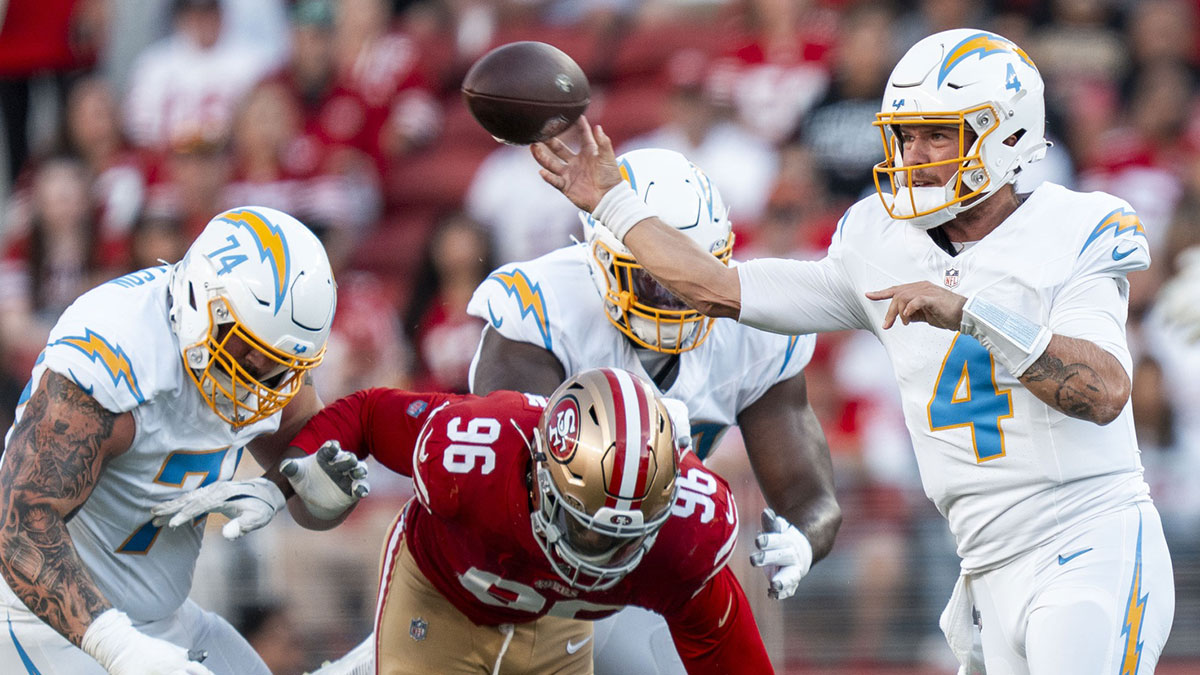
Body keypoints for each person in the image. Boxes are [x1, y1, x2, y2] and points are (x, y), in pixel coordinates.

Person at [533, 29, 1176, 675]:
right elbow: (716, 287)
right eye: (905, 135)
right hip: (982, 561)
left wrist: (972, 313)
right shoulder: (878, 241)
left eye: (937, 135)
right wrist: (612, 201)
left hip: (1086, 536)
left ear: (1006, 133)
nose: (913, 154)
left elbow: (1103, 390)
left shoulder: (1077, 225)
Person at [0, 206, 368, 675]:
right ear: (200, 299)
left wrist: (298, 492)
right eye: (244, 345)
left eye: (275, 364)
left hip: (166, 616)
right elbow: (17, 527)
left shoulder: (268, 355)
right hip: (47, 624)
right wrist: (120, 649)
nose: (254, 374)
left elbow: (303, 469)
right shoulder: (115, 353)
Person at [285, 367, 775, 674]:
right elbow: (370, 413)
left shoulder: (684, 539)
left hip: (553, 625)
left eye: (620, 539)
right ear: (540, 471)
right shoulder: (475, 451)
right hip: (441, 595)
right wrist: (296, 465)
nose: (594, 552)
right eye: (583, 524)